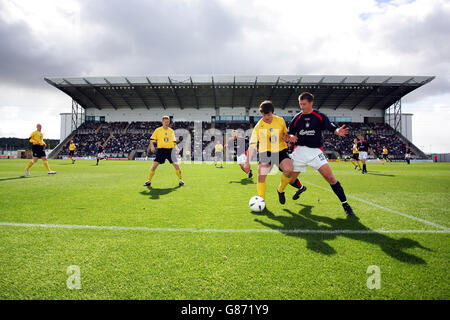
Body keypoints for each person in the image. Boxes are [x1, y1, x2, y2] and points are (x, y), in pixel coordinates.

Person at [286, 92, 355, 216]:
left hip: (315, 151)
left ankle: (345, 204)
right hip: (300, 151)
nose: (302, 106)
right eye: (300, 104)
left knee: (330, 178)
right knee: (290, 180)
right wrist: (290, 137)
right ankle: (301, 188)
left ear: (311, 103)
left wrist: (337, 131)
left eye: (304, 104)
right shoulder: (296, 118)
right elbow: (289, 133)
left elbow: (331, 127)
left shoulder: (319, 116)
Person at [244, 100, 303, 205]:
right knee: (261, 175)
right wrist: (247, 162)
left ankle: (280, 190)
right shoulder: (258, 127)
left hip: (280, 150)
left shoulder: (280, 121)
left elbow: (286, 136)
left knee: (289, 170)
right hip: (265, 152)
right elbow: (252, 146)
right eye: (265, 115)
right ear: (261, 114)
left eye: (269, 114)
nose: (267, 117)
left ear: (272, 112)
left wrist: (289, 138)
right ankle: (262, 202)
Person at [144, 116, 185, 187]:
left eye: (168, 122)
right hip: (161, 150)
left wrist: (177, 148)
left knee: (176, 165)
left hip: (170, 151)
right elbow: (152, 139)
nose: (167, 123)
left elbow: (174, 142)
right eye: (165, 122)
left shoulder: (171, 131)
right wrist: (152, 146)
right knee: (154, 166)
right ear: (162, 122)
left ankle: (181, 181)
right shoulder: (158, 130)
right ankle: (148, 181)